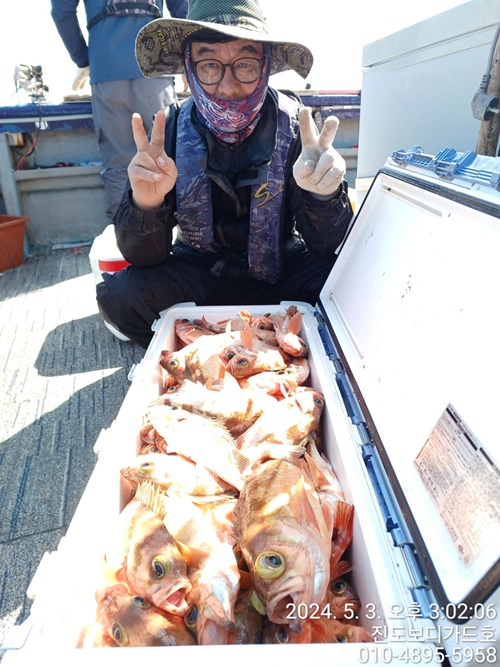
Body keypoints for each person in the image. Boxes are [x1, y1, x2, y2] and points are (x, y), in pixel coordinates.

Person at [96, 0, 354, 348]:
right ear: (190, 71)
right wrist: (146, 204)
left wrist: (324, 196)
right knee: (121, 296)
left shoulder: (299, 130)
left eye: (245, 65)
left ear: (265, 67)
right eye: (209, 65)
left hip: (281, 271)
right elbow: (143, 257)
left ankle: (220, 340)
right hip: (200, 273)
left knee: (351, 285)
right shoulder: (169, 130)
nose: (228, 86)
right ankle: (220, 346)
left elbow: (327, 248)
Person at [50, 0, 188, 220]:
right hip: (155, 66)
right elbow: (182, 9)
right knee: (170, 157)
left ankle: (123, 233)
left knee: (118, 165)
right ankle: (178, 230)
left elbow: (61, 11)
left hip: (106, 69)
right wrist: (187, 58)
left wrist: (83, 60)